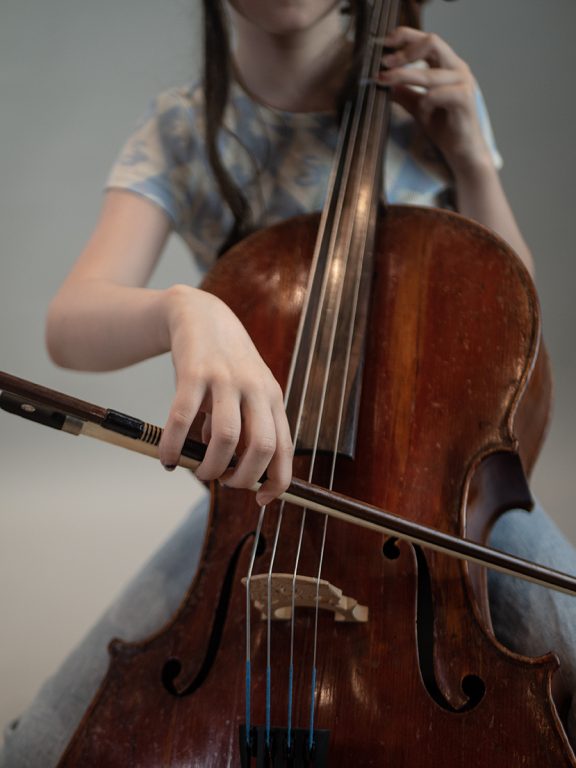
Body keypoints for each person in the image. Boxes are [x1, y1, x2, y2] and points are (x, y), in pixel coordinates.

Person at [2, 0, 576, 765]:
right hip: (260, 501)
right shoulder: (182, 130)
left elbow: (515, 313)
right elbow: (70, 323)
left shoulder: (426, 101)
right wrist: (185, 307)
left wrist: (470, 155)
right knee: (41, 750)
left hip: (437, 499)